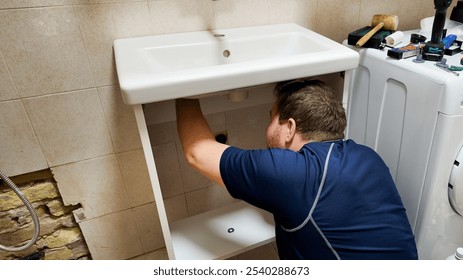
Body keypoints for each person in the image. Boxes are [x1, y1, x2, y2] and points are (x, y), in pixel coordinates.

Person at [175, 79, 418, 260]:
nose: (267, 128)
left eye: (271, 118)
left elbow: (197, 152)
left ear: (290, 127)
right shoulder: (368, 156)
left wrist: (182, 90)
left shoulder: (295, 173)